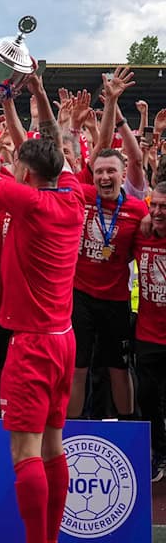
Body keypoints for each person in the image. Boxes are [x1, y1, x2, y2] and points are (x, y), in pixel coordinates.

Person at [0, 72, 84, 543]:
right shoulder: (71, 196)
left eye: (14, 165)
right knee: (53, 445)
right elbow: (54, 142)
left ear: (27, 175)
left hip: (32, 345)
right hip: (64, 339)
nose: (8, 168)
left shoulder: (28, 202)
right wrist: (38, 95)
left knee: (26, 451)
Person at [68, 68, 148, 420]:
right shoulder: (82, 194)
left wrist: (115, 107)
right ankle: (70, 428)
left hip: (116, 298)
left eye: (110, 172)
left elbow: (132, 158)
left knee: (118, 366)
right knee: (78, 367)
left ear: (121, 174)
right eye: (99, 171)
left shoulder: (136, 208)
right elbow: (99, 148)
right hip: (80, 295)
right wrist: (110, 105)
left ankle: (127, 428)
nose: (104, 176)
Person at [133, 182, 166, 482]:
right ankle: (158, 451)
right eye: (153, 205)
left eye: (163, 207)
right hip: (147, 334)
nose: (156, 211)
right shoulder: (140, 235)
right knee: (147, 396)